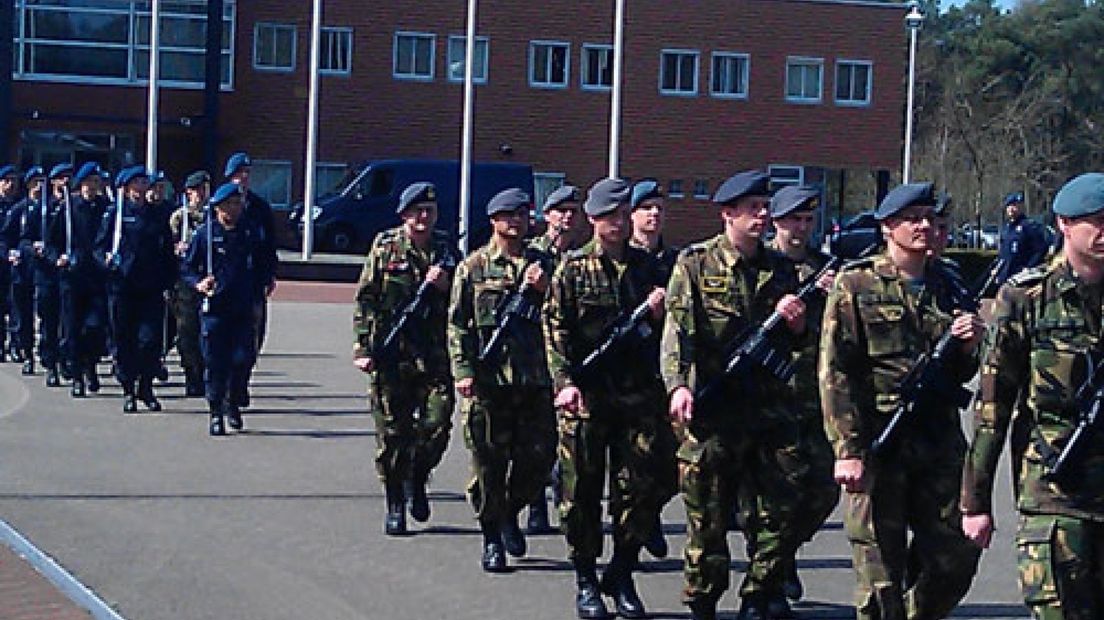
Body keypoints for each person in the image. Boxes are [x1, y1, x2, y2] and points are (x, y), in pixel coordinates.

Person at [820, 182, 983, 620]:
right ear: (888, 227)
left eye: (930, 219)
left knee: (956, 555)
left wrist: (969, 347)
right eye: (913, 219)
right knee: (880, 576)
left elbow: (964, 375)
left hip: (938, 444)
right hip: (880, 443)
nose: (925, 227)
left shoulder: (948, 282)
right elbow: (836, 372)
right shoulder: (856, 284)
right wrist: (848, 450)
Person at [661, 170, 808, 620]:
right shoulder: (694, 264)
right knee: (707, 523)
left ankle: (759, 594)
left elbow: (807, 345)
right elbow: (677, 332)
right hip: (712, 410)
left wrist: (798, 323)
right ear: (728, 214)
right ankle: (703, 602)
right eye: (753, 209)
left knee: (779, 515)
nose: (763, 216)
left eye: (766, 208)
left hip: (766, 413)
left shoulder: (783, 270)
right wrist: (679, 385)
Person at [961, 172, 1104, 620]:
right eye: (1094, 221)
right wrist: (975, 502)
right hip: (1056, 489)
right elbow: (993, 406)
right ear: (1064, 224)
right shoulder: (1026, 297)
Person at [544, 177, 673, 619]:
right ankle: (585, 578)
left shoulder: (650, 270)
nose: (617, 224)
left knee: (638, 491)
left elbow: (675, 336)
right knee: (579, 493)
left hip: (638, 399)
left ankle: (621, 572)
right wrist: (564, 383)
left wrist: (659, 313)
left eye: (623, 215)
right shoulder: (572, 269)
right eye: (608, 217)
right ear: (594, 220)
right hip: (588, 400)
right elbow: (555, 330)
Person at [447, 187, 557, 572]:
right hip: (490, 380)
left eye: (522, 215)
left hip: (535, 380)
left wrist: (547, 291)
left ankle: (512, 508)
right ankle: (492, 536)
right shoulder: (473, 267)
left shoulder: (546, 264)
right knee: (488, 464)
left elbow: (564, 317)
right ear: (494, 220)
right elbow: (458, 324)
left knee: (539, 460)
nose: (516, 222)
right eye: (508, 215)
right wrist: (463, 372)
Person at [754, 184, 841, 616]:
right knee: (776, 497)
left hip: (816, 397)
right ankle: (767, 581)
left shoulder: (826, 269)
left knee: (824, 491)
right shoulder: (763, 267)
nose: (801, 229)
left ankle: (783, 555)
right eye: (793, 220)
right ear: (776, 222)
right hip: (771, 398)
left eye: (808, 220)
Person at [352, 181, 456, 536]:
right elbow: (366, 298)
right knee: (393, 434)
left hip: (433, 354)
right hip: (391, 354)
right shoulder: (385, 247)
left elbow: (464, 300)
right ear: (404, 215)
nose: (424, 217)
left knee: (437, 423)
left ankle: (419, 475)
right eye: (417, 212)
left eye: (430, 211)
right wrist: (363, 347)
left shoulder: (446, 249)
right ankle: (395, 500)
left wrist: (446, 285)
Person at [183, 182, 270, 436]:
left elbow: (264, 263)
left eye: (237, 204)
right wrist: (199, 284)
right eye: (228, 205)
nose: (234, 209)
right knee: (215, 362)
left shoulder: (251, 233)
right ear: (218, 208)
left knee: (243, 359)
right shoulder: (205, 235)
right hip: (215, 308)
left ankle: (233, 401)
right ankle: (215, 411)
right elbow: (188, 268)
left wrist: (263, 285)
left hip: (242, 307)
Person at [525, 183, 587, 535]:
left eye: (572, 211)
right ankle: (536, 507)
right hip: (533, 359)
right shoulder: (530, 254)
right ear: (546, 215)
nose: (566, 217)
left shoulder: (580, 259)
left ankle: (565, 504)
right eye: (560, 211)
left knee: (568, 439)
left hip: (569, 359)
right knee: (538, 439)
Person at [95, 166, 177, 412]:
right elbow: (99, 248)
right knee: (124, 339)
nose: (142, 189)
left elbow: (167, 252)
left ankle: (146, 386)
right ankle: (129, 389)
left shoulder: (158, 215)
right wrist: (106, 260)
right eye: (137, 183)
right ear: (127, 187)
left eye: (145, 183)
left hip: (151, 287)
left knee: (150, 340)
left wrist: (169, 282)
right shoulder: (116, 215)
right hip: (122, 286)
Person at [628, 178, 680, 561]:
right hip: (628, 375)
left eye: (660, 208)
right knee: (632, 464)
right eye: (647, 208)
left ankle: (649, 513)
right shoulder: (621, 260)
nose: (654, 214)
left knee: (670, 463)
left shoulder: (676, 262)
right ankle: (634, 530)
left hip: (666, 375)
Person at [48, 162, 109, 397]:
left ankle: (90, 364)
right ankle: (76, 376)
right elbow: (52, 241)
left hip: (96, 277)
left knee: (94, 327)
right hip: (72, 277)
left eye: (98, 182)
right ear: (82, 183)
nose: (95, 186)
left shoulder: (106, 208)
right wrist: (58, 258)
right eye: (91, 181)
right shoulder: (68, 209)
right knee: (72, 328)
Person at [225, 152, 278, 409]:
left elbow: (268, 244)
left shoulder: (259, 207)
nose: (243, 177)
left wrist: (269, 275)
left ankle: (240, 382)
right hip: (225, 284)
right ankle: (225, 391)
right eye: (238, 173)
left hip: (253, 283)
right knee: (222, 343)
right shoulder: (218, 204)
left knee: (252, 340)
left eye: (246, 172)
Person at [22, 163, 71, 387]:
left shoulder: (74, 207)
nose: (65, 183)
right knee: (49, 320)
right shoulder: (40, 208)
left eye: (69, 178)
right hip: (46, 273)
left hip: (70, 274)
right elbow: (23, 239)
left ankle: (67, 359)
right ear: (53, 183)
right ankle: (51, 362)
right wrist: (34, 248)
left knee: (69, 321)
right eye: (61, 178)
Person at [171, 171, 211, 397]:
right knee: (186, 331)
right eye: (197, 191)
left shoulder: (211, 216)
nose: (201, 195)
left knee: (206, 332)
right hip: (184, 282)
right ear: (189, 192)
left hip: (206, 279)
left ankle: (205, 374)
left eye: (204, 190)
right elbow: (168, 244)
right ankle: (191, 374)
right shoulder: (179, 217)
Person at [4, 167, 42, 374]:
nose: (39, 187)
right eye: (35, 182)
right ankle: (25, 350)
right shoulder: (20, 209)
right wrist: (10, 253)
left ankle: (49, 353)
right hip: (23, 270)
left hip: (45, 270)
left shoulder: (52, 208)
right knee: (23, 313)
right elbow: (7, 237)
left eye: (42, 182)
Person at [996, 191, 1049, 285]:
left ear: (1021, 207)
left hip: (1021, 277)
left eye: (1015, 205)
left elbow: (1040, 250)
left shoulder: (1029, 227)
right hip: (1005, 275)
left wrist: (1029, 267)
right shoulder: (1006, 228)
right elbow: (1004, 254)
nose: (1011, 209)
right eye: (1009, 206)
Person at [0, 165, 21, 362]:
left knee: (15, 305)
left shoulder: (20, 205)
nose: (10, 184)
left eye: (13, 180)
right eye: (6, 180)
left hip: (17, 262)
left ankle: (15, 345)